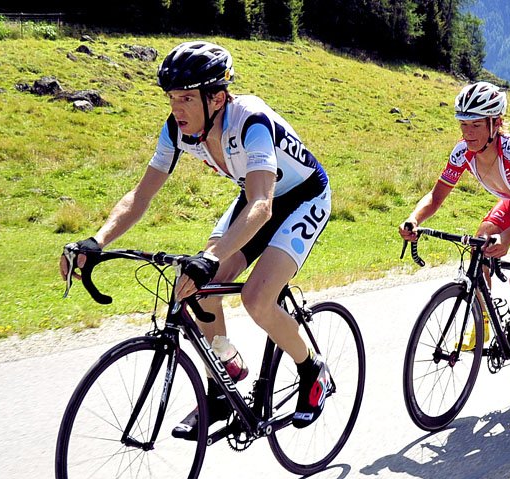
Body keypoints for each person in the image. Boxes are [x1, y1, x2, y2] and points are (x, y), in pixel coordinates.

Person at [59, 41, 332, 435]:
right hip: (256, 195)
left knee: (256, 297)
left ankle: (311, 369)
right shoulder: (177, 131)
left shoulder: (251, 122)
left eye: (186, 98)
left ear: (217, 98)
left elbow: (262, 207)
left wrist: (212, 256)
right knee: (193, 287)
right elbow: (140, 196)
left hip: (302, 197)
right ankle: (221, 385)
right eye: (172, 98)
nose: (176, 109)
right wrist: (95, 241)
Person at [398, 81, 510, 365]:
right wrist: (413, 219)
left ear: (495, 123)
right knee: (481, 240)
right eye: (463, 125)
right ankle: (484, 322)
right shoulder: (462, 152)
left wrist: (507, 238)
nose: (468, 133)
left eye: (476, 126)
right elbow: (436, 196)